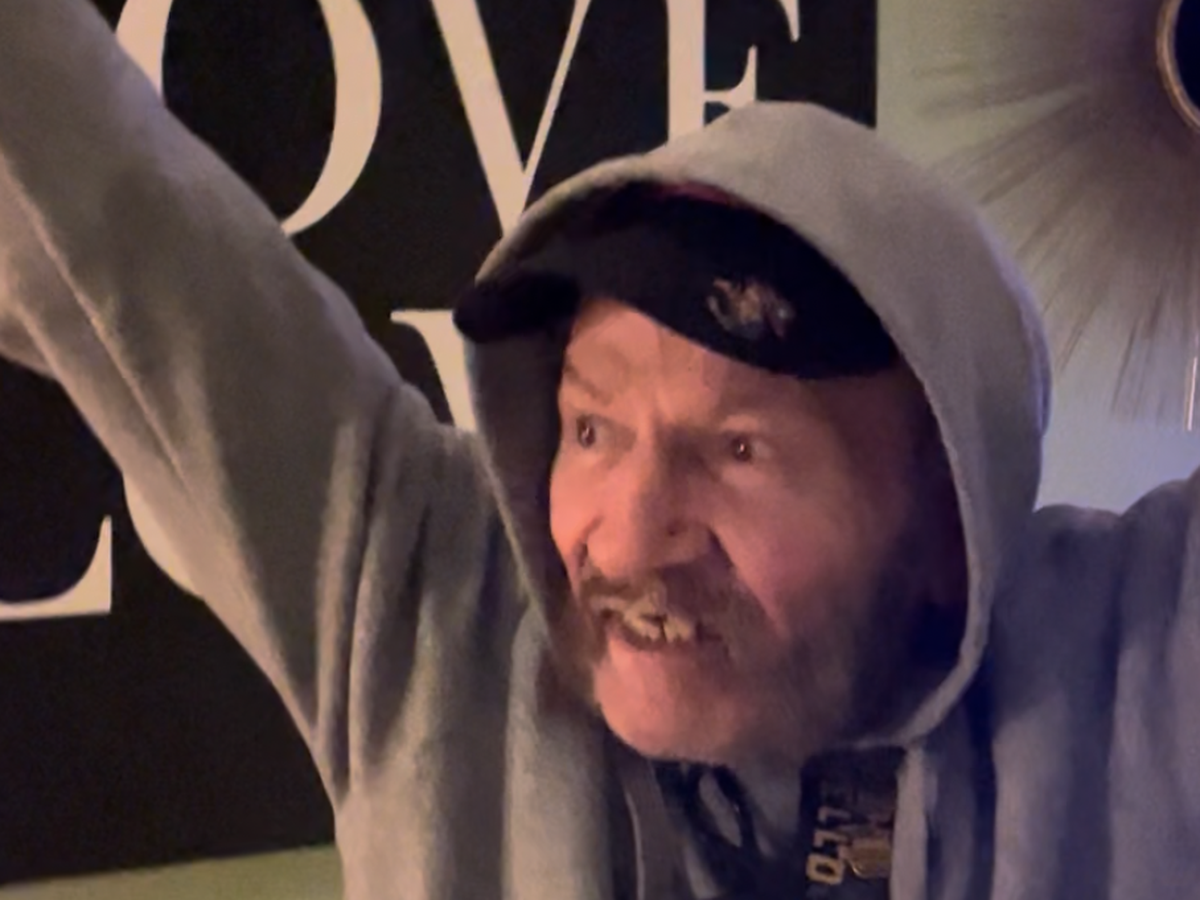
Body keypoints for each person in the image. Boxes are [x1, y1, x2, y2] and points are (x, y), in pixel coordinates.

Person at [2, 2, 1199, 899]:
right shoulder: (433, 618)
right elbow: (92, 200)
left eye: (740, 449)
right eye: (592, 427)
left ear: (945, 528)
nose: (624, 539)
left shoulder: (1130, 670)